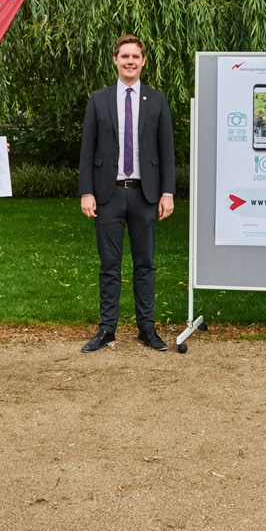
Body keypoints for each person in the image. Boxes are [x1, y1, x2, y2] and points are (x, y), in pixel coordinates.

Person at [78, 35, 176, 352]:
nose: (130, 61)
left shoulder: (157, 100)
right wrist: (86, 192)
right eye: (124, 56)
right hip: (107, 195)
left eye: (135, 56)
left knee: (145, 265)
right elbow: (87, 150)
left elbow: (167, 151)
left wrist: (167, 192)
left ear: (143, 61)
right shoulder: (99, 100)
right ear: (115, 60)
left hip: (145, 196)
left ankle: (147, 329)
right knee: (109, 267)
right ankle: (107, 329)